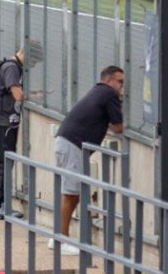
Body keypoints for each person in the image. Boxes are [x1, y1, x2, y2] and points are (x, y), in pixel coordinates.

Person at [53, 66, 125, 250]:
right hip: (73, 145)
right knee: (70, 194)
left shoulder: (98, 91)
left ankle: (60, 237)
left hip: (67, 142)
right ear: (108, 80)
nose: (121, 87)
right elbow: (118, 128)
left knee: (72, 193)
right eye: (120, 82)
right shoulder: (109, 94)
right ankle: (61, 239)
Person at [0, 45, 27, 221]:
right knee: (2, 162)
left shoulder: (10, 65)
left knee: (2, 161)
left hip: (0, 121)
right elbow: (16, 93)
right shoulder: (11, 67)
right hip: (2, 122)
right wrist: (27, 96)